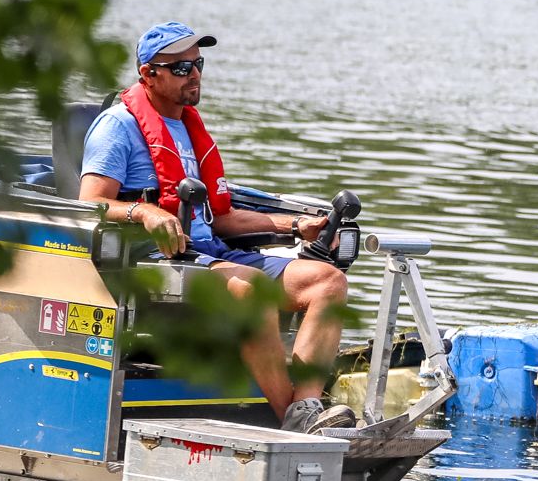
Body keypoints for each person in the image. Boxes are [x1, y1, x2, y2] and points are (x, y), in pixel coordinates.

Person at [78, 22, 356, 434]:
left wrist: (297, 227)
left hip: (214, 254)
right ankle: (292, 423)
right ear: (148, 74)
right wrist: (146, 213)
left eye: (198, 64)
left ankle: (307, 407)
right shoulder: (118, 127)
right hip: (153, 262)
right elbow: (89, 203)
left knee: (327, 282)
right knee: (247, 288)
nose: (194, 75)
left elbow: (220, 218)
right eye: (181, 67)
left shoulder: (189, 130)